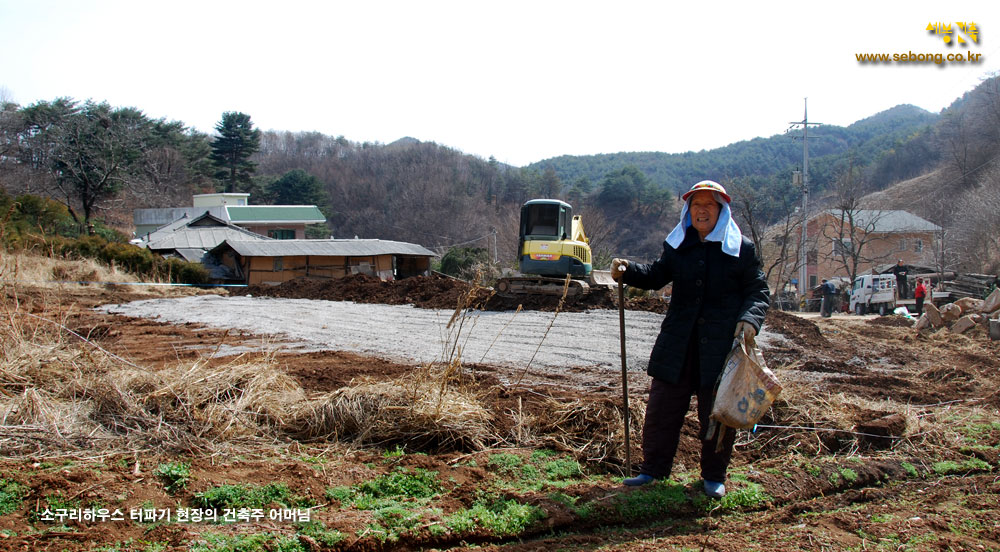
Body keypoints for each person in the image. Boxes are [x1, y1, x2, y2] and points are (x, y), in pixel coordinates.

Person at [610, 180, 770, 499]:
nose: (701, 211)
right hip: (678, 344)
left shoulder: (741, 249)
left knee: (717, 415)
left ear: (721, 211)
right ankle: (652, 471)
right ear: (688, 210)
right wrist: (627, 271)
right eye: (696, 205)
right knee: (662, 409)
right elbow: (656, 275)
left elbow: (758, 291)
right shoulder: (679, 245)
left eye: (708, 206)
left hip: (720, 347)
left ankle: (713, 476)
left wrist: (750, 319)